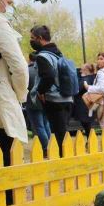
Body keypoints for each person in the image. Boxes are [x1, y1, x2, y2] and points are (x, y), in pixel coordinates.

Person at [0, 0, 29, 206]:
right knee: (8, 155)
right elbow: (19, 66)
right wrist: (20, 95)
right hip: (0, 101)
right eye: (7, 2)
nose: (8, 8)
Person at [30, 24, 73, 153]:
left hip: (54, 100)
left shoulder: (43, 56)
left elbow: (48, 76)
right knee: (63, 134)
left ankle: (61, 161)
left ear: (40, 38)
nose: (31, 41)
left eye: (32, 38)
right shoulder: (58, 54)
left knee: (58, 136)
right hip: (67, 98)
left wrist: (41, 91)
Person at [26, 52, 51, 156]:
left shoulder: (27, 71)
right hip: (45, 100)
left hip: (32, 102)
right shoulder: (42, 69)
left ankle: (46, 149)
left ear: (29, 59)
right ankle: (52, 146)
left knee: (39, 126)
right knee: (46, 124)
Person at [72, 62, 95, 135]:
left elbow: (77, 89)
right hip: (87, 104)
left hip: (84, 104)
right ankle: (90, 139)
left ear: (86, 70)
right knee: (86, 124)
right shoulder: (92, 78)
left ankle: (90, 139)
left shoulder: (86, 79)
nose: (80, 71)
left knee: (86, 123)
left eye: (82, 69)